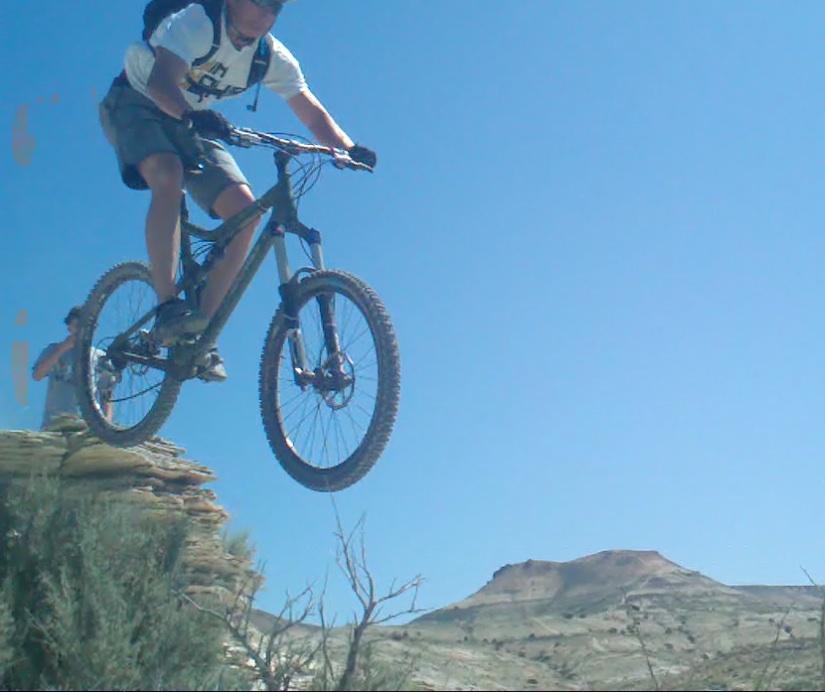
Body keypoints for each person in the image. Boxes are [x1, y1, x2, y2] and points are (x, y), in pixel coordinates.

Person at [98, 0, 376, 382]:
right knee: (168, 173)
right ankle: (167, 306)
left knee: (247, 215)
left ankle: (200, 333)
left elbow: (310, 111)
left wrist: (348, 148)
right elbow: (161, 82)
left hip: (194, 122)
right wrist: (190, 116)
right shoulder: (196, 22)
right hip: (137, 102)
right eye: (256, 3)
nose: (263, 16)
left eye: (273, 7)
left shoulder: (269, 56)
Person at [32, 307, 116, 430]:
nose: (81, 331)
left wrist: (107, 424)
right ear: (69, 327)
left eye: (86, 326)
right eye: (77, 326)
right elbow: (37, 375)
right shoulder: (53, 349)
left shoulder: (101, 357)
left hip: (87, 424)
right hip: (55, 422)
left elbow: (107, 396)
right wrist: (63, 348)